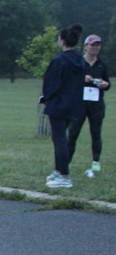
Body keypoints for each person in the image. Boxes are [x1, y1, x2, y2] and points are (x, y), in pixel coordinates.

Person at [42, 23, 89, 189]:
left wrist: (46, 97)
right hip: (74, 104)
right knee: (59, 138)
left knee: (60, 139)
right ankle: (58, 170)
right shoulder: (80, 60)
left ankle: (64, 176)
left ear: (62, 40)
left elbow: (51, 83)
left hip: (58, 104)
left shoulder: (59, 61)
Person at [68, 34, 110, 177]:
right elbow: (69, 80)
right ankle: (66, 163)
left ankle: (95, 164)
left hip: (96, 104)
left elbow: (108, 84)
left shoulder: (101, 65)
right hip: (79, 104)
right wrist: (82, 78)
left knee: (96, 133)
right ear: (86, 46)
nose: (95, 48)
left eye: (98, 45)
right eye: (92, 45)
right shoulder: (78, 63)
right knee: (73, 133)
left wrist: (104, 84)